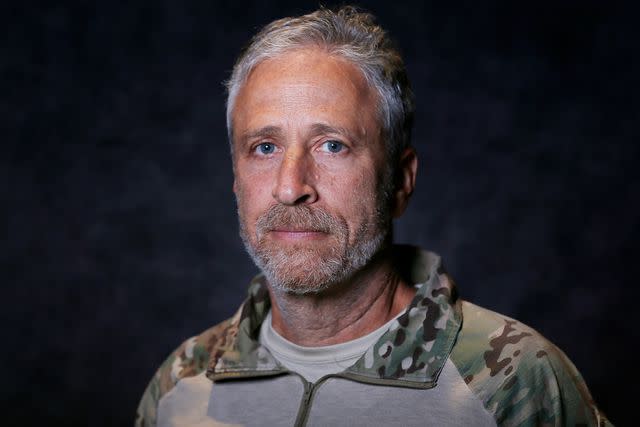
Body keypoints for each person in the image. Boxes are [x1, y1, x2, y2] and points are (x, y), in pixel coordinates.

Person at [136, 6, 610, 427]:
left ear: (400, 181)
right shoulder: (181, 384)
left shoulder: (511, 381)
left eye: (332, 145)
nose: (290, 186)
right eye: (264, 147)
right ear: (236, 180)